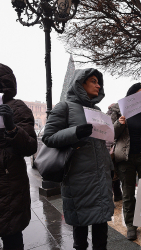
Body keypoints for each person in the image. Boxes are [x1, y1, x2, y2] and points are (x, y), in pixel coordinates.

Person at [42, 68, 114, 250]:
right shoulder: (64, 107)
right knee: (80, 230)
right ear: (80, 83)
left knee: (101, 230)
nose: (98, 85)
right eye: (93, 81)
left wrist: (109, 166)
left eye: (99, 82)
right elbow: (48, 137)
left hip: (100, 178)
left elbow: (101, 144)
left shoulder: (97, 110)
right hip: (78, 179)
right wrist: (75, 132)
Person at [107, 83, 141, 240]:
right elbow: (110, 134)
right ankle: (131, 226)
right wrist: (119, 123)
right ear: (132, 95)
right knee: (127, 194)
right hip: (125, 158)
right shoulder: (118, 110)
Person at [0, 63, 37, 250]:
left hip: (9, 183)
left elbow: (30, 146)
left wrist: (12, 127)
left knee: (11, 235)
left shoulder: (17, 107)